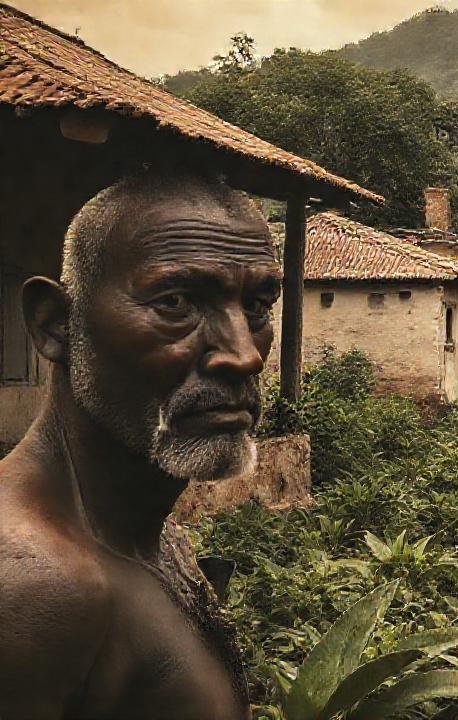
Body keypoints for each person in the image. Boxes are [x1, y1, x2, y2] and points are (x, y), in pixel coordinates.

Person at [0, 171, 281, 718]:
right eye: (176, 303)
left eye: (256, 307)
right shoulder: (36, 585)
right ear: (56, 325)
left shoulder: (150, 537)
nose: (244, 355)